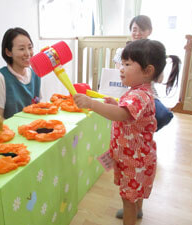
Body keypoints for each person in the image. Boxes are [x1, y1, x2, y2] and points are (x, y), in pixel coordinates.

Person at [74, 39, 180, 225]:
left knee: (127, 199)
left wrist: (91, 103)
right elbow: (130, 115)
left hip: (133, 160)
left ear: (148, 71)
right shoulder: (139, 91)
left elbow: (121, 115)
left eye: (128, 64)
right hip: (138, 156)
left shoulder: (139, 95)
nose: (121, 68)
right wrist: (116, 104)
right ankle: (138, 210)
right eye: (122, 63)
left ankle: (133, 213)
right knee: (135, 193)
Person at [113, 15, 179, 131]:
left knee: (161, 115)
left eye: (142, 29)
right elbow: (118, 72)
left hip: (147, 92)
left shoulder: (152, 52)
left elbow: (159, 79)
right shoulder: (122, 51)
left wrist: (157, 65)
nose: (137, 33)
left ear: (149, 31)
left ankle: (141, 132)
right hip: (123, 91)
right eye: (134, 29)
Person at [0, 27, 41, 119]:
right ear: (8, 52)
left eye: (30, 47)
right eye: (21, 49)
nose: (28, 53)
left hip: (31, 131)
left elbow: (38, 108)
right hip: (8, 132)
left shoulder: (36, 74)